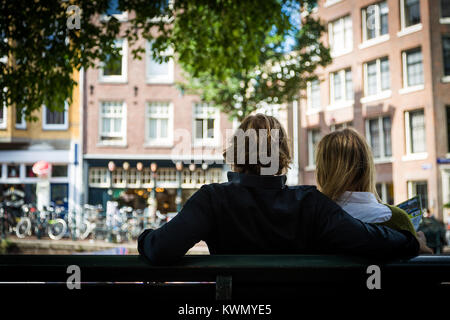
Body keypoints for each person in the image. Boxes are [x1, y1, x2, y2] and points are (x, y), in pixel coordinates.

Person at [138, 114, 431, 265]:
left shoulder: (213, 199)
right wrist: (409, 241)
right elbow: (367, 239)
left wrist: (145, 238)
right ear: (283, 156)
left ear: (235, 154)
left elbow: (161, 249)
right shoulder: (311, 203)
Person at [315, 128, 416, 236]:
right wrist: (421, 244)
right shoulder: (397, 219)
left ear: (322, 171)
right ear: (367, 168)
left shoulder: (313, 220)